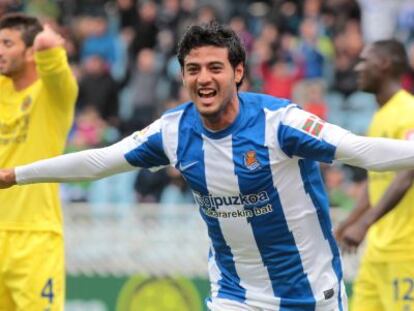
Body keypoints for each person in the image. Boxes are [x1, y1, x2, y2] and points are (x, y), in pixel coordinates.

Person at [1, 22, 414, 311]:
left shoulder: (280, 123)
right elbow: (98, 162)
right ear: (182, 75)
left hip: (311, 295)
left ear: (238, 72)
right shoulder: (173, 132)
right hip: (235, 296)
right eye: (193, 69)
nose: (204, 78)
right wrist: (16, 175)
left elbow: (361, 151)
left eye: (216, 67)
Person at [0, 13, 77, 310]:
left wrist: (47, 42)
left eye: (8, 43)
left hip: (35, 238)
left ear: (30, 52)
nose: (0, 50)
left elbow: (52, 62)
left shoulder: (55, 95)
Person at [335, 39, 414, 311]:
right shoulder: (380, 116)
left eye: (364, 61)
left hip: (406, 250)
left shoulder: (408, 110)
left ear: (384, 64)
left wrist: (364, 224)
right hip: (377, 250)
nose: (358, 68)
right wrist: (349, 222)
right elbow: (375, 181)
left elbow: (408, 173)